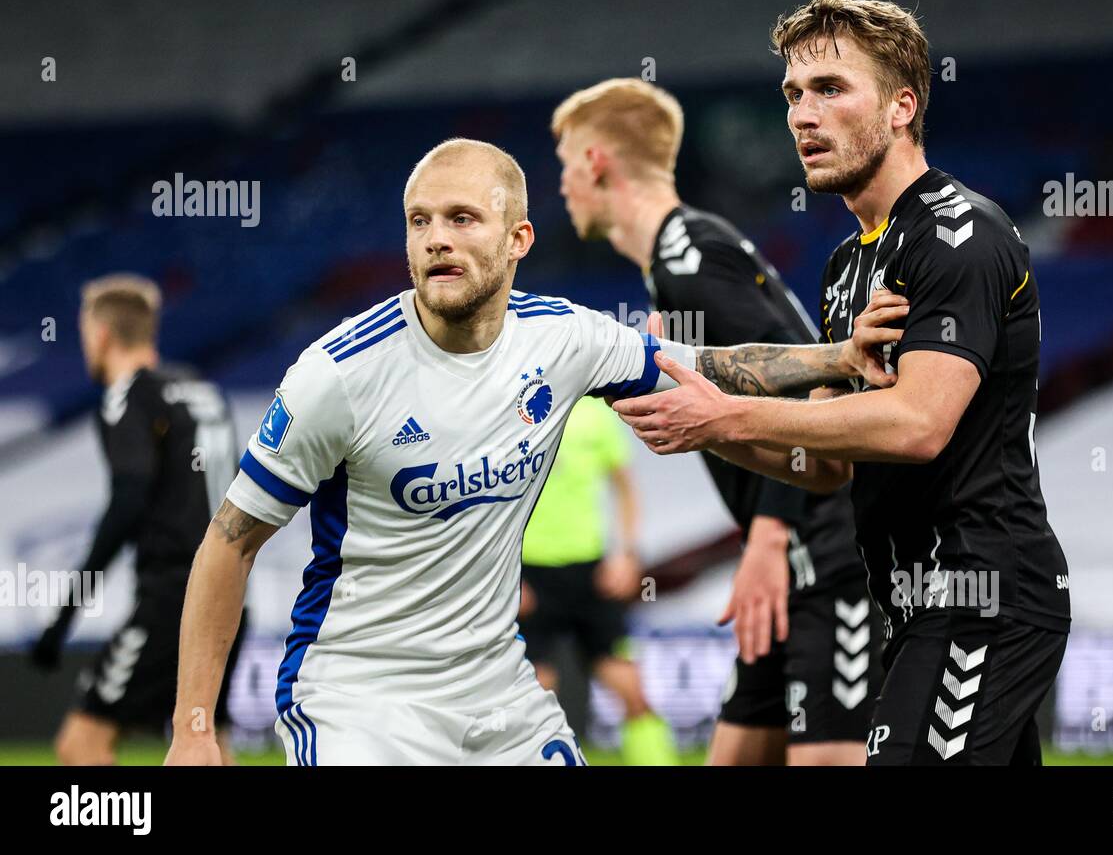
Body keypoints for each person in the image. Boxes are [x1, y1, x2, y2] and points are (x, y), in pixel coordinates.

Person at [162, 138, 877, 766]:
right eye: (420, 222)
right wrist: (194, 728)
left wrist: (838, 355)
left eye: (462, 218)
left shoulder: (564, 339)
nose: (437, 239)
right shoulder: (338, 376)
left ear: (518, 239)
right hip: (360, 695)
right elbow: (229, 543)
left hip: (497, 692)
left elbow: (710, 367)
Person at [611, 0, 1072, 765]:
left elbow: (919, 425)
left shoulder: (959, 233)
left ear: (901, 106)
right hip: (910, 602)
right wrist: (701, 423)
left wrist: (732, 419)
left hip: (980, 596)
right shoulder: (845, 267)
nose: (801, 115)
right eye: (793, 93)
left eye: (829, 89)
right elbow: (823, 468)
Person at [552, 79, 880, 765]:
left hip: (829, 554)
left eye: (563, 164)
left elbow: (813, 384)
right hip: (794, 554)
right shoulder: (679, 263)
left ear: (596, 163)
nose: (561, 187)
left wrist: (766, 539)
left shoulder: (691, 260)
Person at [31, 274, 245, 765]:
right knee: (208, 747)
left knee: (81, 744)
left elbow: (128, 500)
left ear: (102, 335)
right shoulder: (199, 390)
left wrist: (64, 615)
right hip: (230, 593)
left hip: (172, 601)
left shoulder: (129, 396)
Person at [518, 395, 677, 765]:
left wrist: (627, 554)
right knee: (533, 700)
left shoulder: (595, 414)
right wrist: (502, 574)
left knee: (633, 692)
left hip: (590, 572)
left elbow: (625, 487)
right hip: (529, 573)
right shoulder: (511, 405)